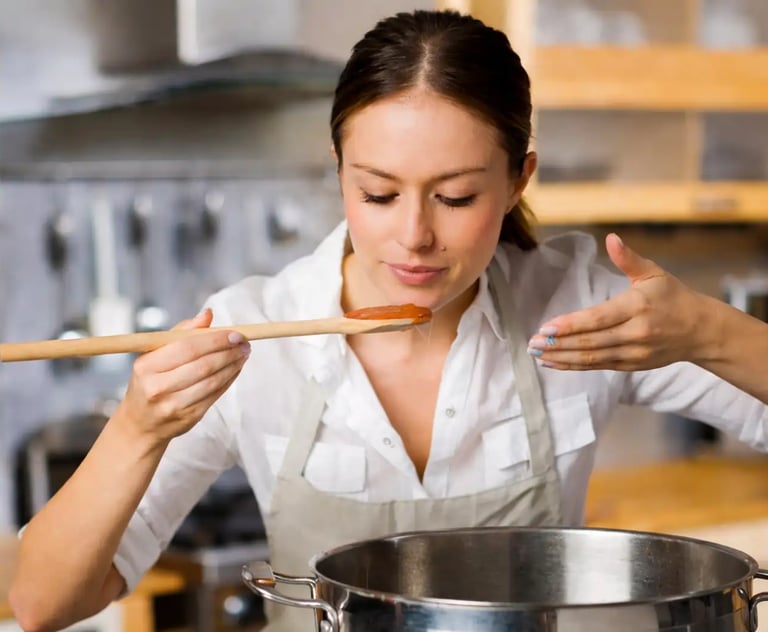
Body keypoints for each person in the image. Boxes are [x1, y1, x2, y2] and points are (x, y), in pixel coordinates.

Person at [10, 9, 768, 631]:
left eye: (458, 196)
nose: (414, 237)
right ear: (340, 171)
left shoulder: (574, 305)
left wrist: (711, 332)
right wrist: (138, 427)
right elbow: (43, 604)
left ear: (517, 180)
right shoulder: (255, 331)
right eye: (377, 194)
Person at [527, 232, 768, 404]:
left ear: (517, 185)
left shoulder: (598, 303)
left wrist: (700, 328)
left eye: (485, 189)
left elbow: (759, 418)